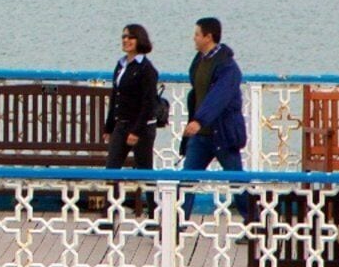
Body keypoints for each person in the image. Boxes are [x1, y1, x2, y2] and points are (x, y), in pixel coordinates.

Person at [180, 17, 246, 170]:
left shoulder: (228, 66)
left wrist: (199, 120)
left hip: (223, 133)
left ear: (208, 37)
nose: (194, 38)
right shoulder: (199, 61)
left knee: (236, 178)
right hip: (200, 135)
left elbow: (219, 96)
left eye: (197, 34)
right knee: (187, 178)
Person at [104, 23, 164, 170]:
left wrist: (136, 131)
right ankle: (113, 187)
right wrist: (109, 127)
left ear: (140, 40)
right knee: (111, 168)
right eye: (124, 37)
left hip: (142, 126)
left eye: (131, 37)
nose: (126, 40)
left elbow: (148, 103)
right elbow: (115, 96)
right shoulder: (121, 65)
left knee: (144, 169)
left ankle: (149, 188)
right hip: (121, 124)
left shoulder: (146, 69)